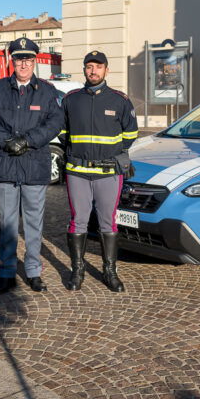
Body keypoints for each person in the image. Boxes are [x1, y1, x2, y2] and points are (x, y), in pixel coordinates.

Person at [0, 38, 63, 294]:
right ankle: (6, 272)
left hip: (33, 165)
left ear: (35, 61)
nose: (23, 64)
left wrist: (27, 141)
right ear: (11, 61)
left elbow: (54, 123)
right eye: (18, 59)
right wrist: (6, 141)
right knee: (6, 222)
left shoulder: (48, 92)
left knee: (34, 222)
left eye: (27, 59)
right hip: (5, 164)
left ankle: (33, 271)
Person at [59, 51, 138, 292]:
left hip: (108, 172)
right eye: (89, 66)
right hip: (77, 172)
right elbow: (63, 133)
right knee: (78, 221)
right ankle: (78, 270)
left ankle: (110, 271)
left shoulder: (120, 100)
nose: (93, 71)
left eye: (98, 67)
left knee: (107, 222)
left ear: (106, 70)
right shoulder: (71, 99)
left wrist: (110, 153)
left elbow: (130, 135)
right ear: (84, 69)